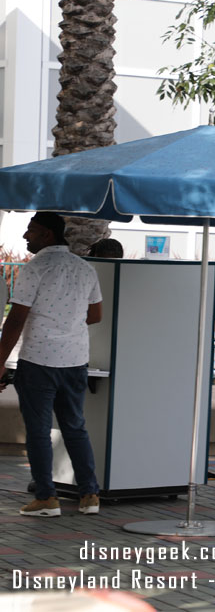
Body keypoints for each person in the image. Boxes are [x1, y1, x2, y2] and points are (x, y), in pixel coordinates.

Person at [0, 212, 103, 517]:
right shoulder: (85, 268)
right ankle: (89, 496)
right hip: (75, 360)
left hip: (40, 359)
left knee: (38, 431)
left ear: (47, 234)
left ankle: (46, 498)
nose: (25, 237)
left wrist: (0, 360)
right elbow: (95, 315)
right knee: (75, 427)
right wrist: (67, 323)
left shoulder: (36, 269)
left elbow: (16, 318)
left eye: (30, 231)